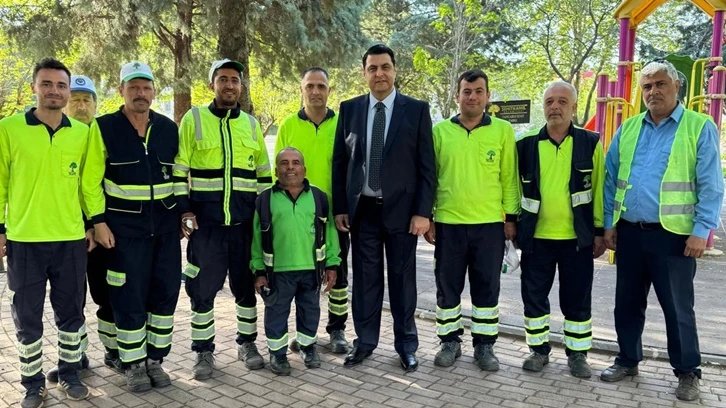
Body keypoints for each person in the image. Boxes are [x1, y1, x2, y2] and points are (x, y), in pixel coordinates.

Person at [602, 60, 724, 401]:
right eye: (647, 86)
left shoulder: (698, 127)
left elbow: (711, 184)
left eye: (660, 84)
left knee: (677, 308)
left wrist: (702, 230)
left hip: (674, 237)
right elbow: (611, 180)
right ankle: (627, 360)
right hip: (629, 232)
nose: (653, 91)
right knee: (627, 303)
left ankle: (687, 372)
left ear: (676, 86)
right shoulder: (628, 128)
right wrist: (609, 224)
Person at [0, 58, 103, 407]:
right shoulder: (8, 129)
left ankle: (70, 374)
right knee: (27, 317)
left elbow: (87, 186)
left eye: (61, 85)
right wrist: (0, 228)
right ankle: (32, 384)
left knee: (71, 312)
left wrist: (92, 224)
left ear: (68, 91)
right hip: (24, 240)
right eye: (46, 84)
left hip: (70, 240)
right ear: (34, 87)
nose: (54, 91)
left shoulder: (83, 134)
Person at [332, 44, 436, 372]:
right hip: (362, 212)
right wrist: (340, 207)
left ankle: (406, 346)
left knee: (403, 282)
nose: (380, 73)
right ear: (364, 73)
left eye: (385, 67)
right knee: (365, 281)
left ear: (394, 70)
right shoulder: (349, 109)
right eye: (373, 68)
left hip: (403, 215)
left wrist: (423, 212)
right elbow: (340, 162)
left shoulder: (416, 110)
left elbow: (427, 166)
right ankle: (364, 343)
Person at [173, 59, 272, 380]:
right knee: (201, 290)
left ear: (241, 86)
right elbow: (179, 169)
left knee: (246, 289)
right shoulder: (194, 119)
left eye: (235, 80)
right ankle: (203, 351)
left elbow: (263, 175)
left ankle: (247, 344)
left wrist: (264, 219)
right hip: (206, 229)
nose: (229, 85)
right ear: (212, 85)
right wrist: (185, 210)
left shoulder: (251, 125)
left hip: (244, 228)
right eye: (223, 79)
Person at [86, 61, 181, 393]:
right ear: (121, 91)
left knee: (165, 293)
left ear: (154, 91)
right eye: (133, 88)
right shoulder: (103, 128)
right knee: (128, 296)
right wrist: (98, 222)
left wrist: (183, 214)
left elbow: (179, 176)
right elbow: (90, 182)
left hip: (166, 230)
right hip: (123, 232)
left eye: (146, 87)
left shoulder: (168, 128)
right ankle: (133, 364)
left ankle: (155, 359)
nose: (140, 93)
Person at [425, 69, 519, 371]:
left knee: (487, 288)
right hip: (449, 224)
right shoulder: (440, 132)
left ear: (488, 96)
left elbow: (509, 177)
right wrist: (429, 217)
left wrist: (511, 218)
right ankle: (449, 342)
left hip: (489, 225)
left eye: (479, 91)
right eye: (467, 91)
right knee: (447, 287)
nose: (473, 97)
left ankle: (485, 345)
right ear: (457, 96)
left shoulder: (502, 130)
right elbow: (430, 179)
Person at [515, 81, 605, 378]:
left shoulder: (590, 143)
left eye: (562, 102)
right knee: (534, 297)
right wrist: (512, 224)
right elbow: (515, 188)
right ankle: (538, 351)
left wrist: (599, 231)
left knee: (577, 299)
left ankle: (577, 355)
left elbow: (599, 189)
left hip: (577, 240)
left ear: (574, 107)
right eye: (550, 101)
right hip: (536, 238)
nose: (555, 107)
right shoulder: (525, 144)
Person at [44, 75, 123, 385]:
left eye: (86, 100)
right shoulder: (58, 136)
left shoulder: (107, 135)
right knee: (71, 300)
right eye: (75, 99)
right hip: (67, 233)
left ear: (95, 104)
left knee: (108, 295)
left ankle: (113, 350)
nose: (80, 105)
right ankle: (75, 356)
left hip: (105, 232)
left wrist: (96, 225)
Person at [275, 67, 350, 354]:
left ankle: (337, 330)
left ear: (330, 90)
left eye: (321, 86)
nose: (315, 91)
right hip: (298, 216)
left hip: (335, 216)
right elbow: (279, 172)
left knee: (337, 274)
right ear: (302, 90)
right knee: (301, 276)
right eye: (310, 86)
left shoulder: (343, 124)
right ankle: (305, 332)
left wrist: (346, 207)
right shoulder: (288, 126)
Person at [251, 147, 340, 375]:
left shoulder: (319, 197)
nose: (290, 167)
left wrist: (332, 264)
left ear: (304, 169)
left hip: (311, 270)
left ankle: (308, 347)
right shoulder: (264, 200)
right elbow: (256, 240)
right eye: (284, 163)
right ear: (276, 170)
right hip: (277, 272)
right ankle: (277, 354)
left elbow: (330, 234)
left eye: (295, 162)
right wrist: (259, 271)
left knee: (310, 311)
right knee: (276, 313)